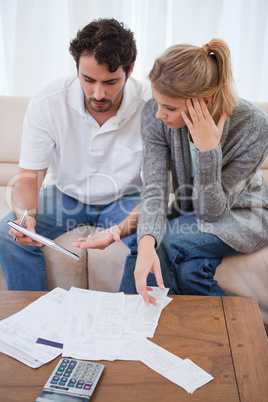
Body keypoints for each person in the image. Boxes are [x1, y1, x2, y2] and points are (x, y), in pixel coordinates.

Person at [76, 38, 268, 306]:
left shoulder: (254, 126)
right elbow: (154, 190)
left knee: (165, 242)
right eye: (158, 102)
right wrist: (143, 244)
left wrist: (208, 150)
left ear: (204, 102)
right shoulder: (154, 113)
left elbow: (211, 212)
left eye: (170, 108)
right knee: (190, 272)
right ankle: (238, 335)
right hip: (192, 214)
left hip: (246, 218)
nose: (158, 115)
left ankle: (126, 325)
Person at [0, 18, 151, 290]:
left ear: (130, 71)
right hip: (66, 195)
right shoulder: (48, 102)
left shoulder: (151, 107)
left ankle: (129, 326)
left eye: (111, 81)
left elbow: (155, 193)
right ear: (77, 69)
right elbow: (29, 177)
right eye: (88, 79)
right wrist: (26, 216)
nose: (98, 93)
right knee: (7, 231)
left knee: (154, 238)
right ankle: (36, 320)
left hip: (125, 199)